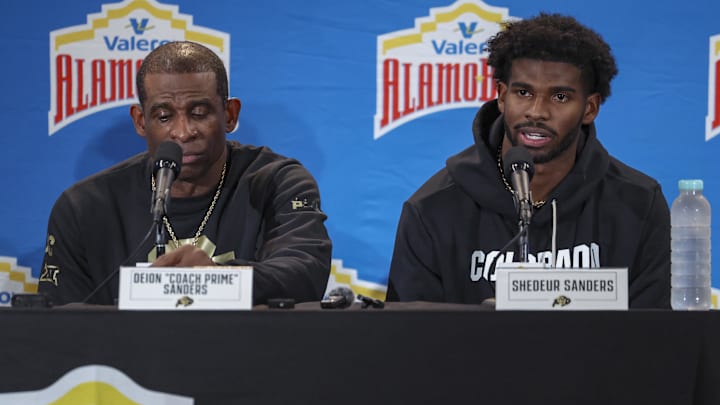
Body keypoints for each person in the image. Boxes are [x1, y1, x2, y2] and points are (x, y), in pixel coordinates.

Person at [386, 13, 670, 308]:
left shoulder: (638, 204)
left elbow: (655, 338)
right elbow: (410, 340)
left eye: (559, 97)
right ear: (501, 95)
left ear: (589, 108)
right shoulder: (433, 209)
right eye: (523, 92)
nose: (537, 111)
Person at [38, 41, 332, 306]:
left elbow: (304, 272)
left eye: (199, 112)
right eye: (164, 116)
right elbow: (60, 324)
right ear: (141, 121)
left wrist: (213, 280)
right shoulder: (84, 207)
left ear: (229, 115)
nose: (183, 132)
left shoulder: (277, 181)